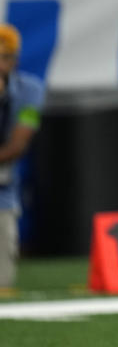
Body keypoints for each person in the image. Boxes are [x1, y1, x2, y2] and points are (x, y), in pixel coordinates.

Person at [0, 23, 45, 289]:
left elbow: (17, 145)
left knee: (2, 284)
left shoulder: (31, 91)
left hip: (3, 190)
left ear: (14, 61)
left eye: (4, 57)